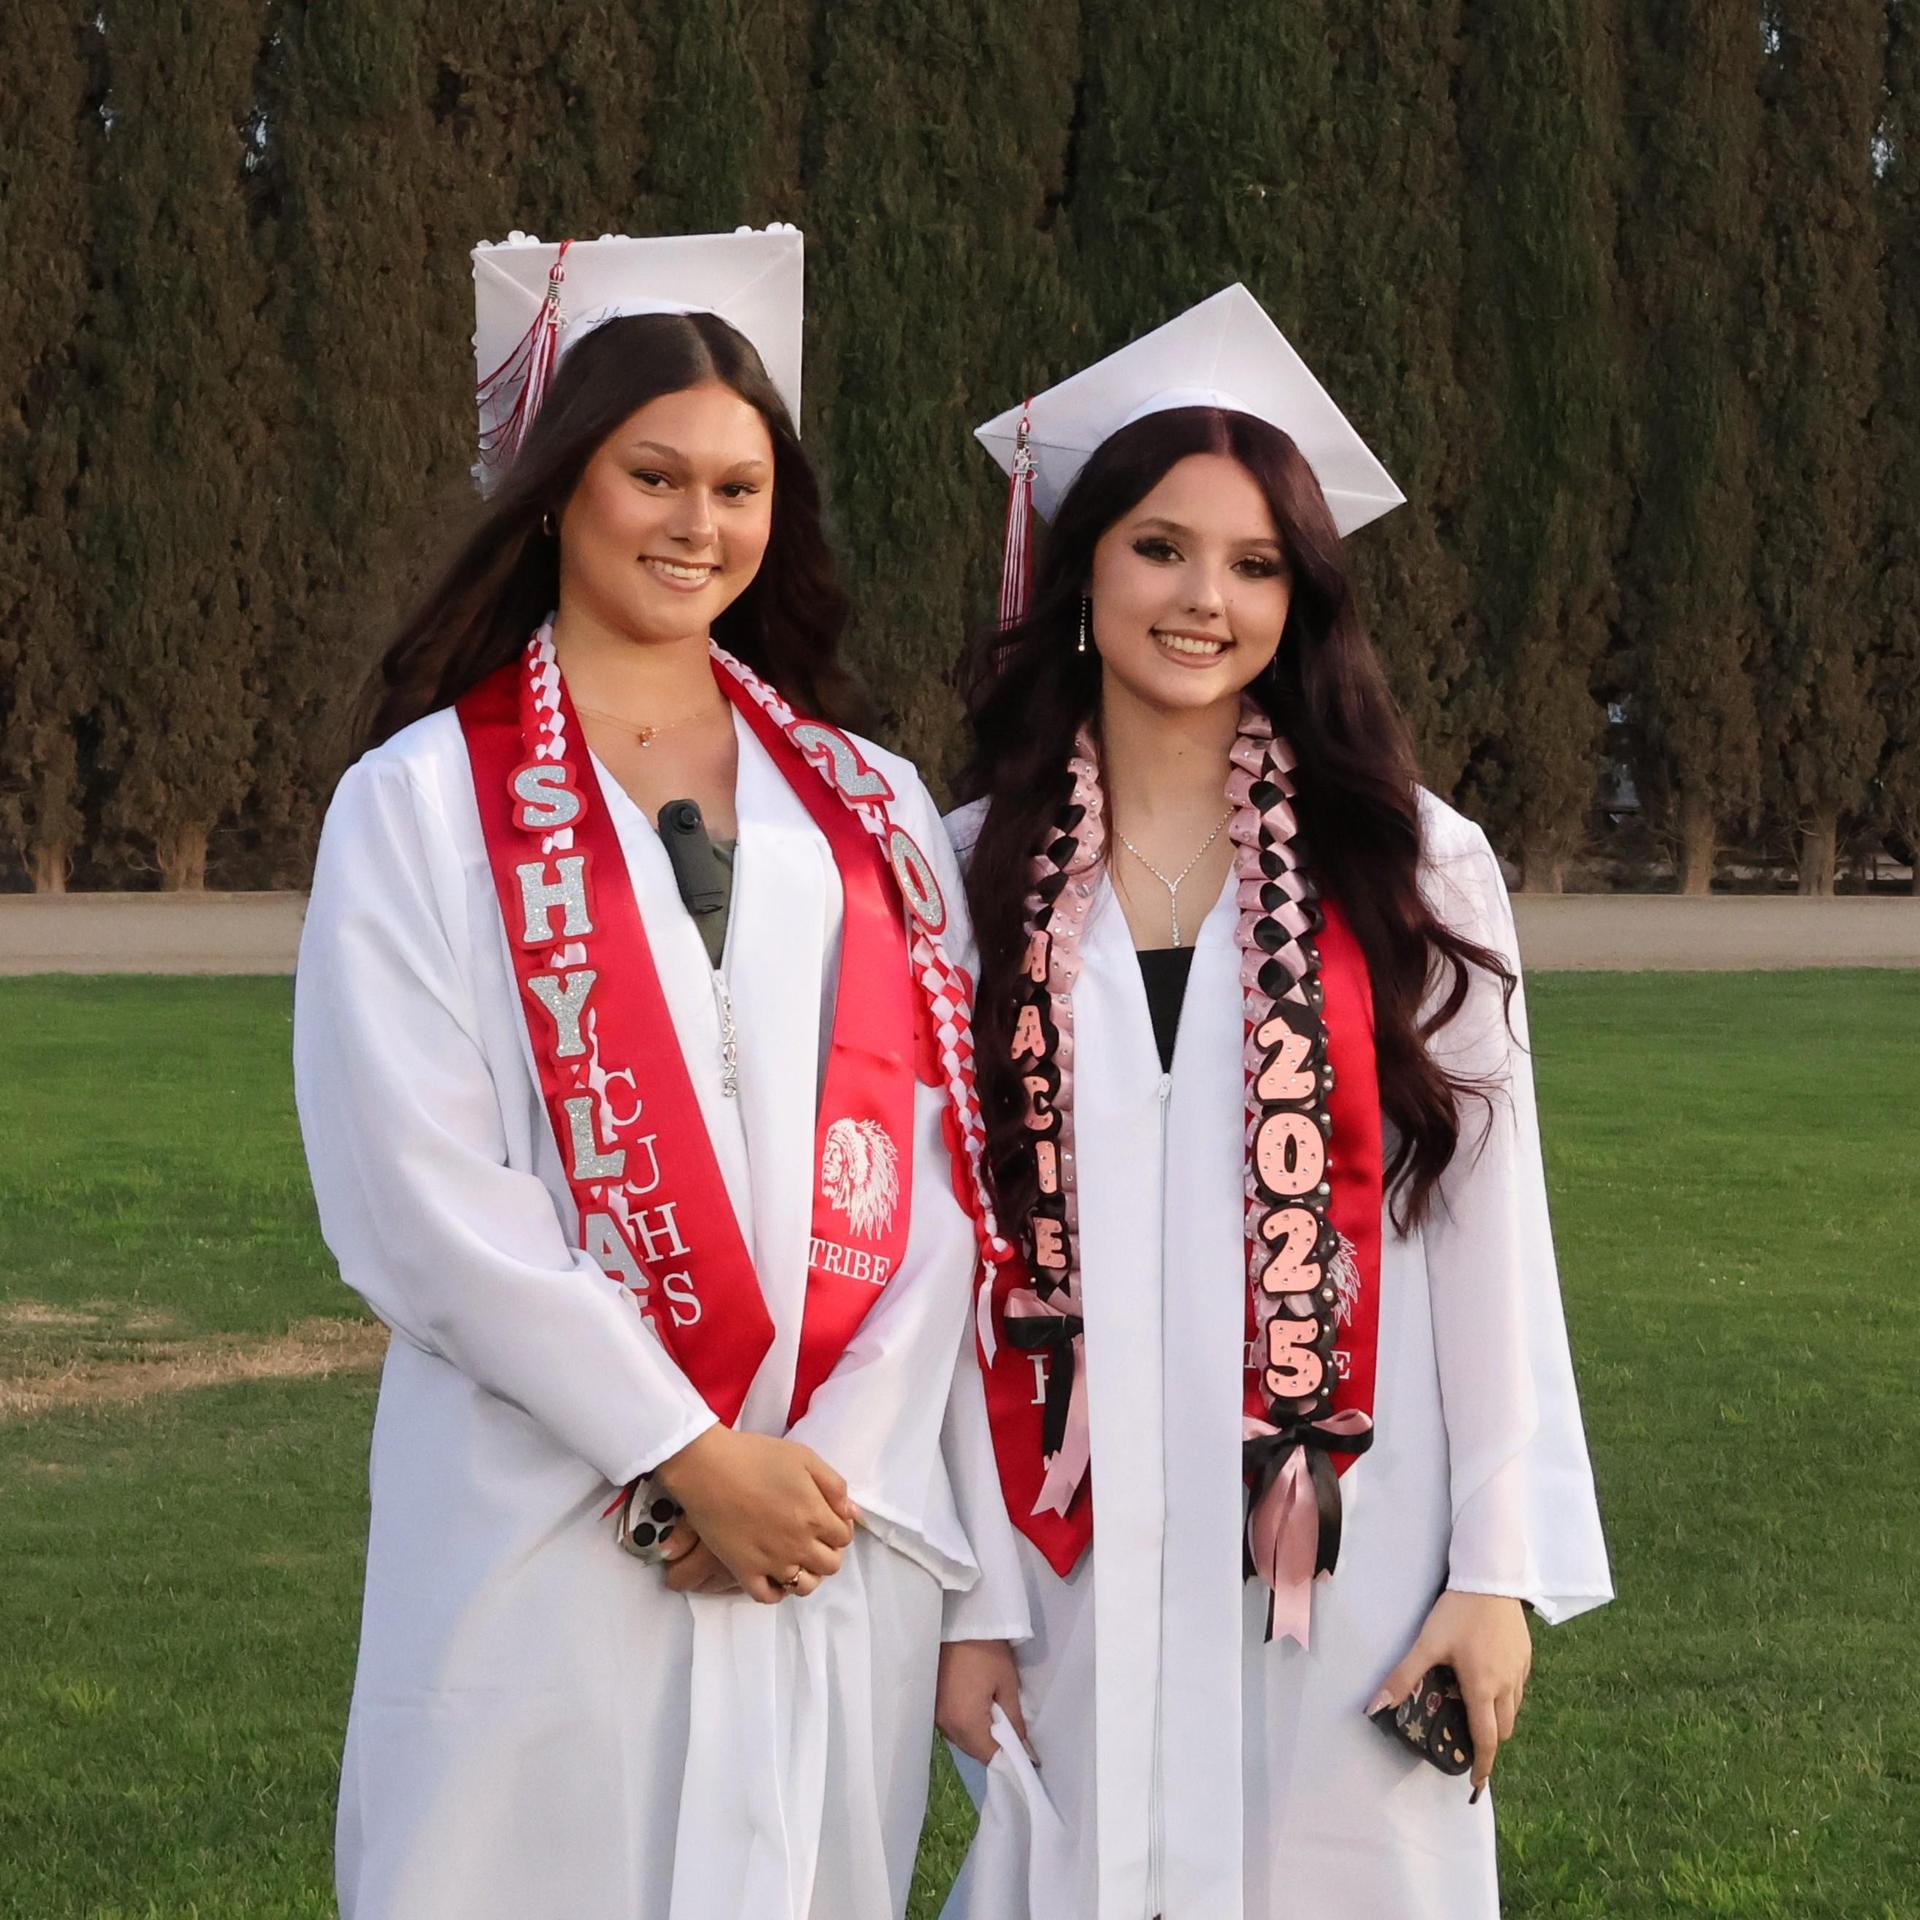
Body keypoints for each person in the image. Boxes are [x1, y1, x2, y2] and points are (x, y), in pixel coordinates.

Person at [293, 226, 1019, 1920]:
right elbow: (418, 1196)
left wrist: (806, 1475)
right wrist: (685, 1450)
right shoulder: (419, 805)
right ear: (556, 487)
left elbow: (938, 1174)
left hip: (824, 1526)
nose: (701, 525)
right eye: (654, 474)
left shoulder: (872, 807)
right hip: (548, 1511)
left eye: (742, 486)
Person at [935, 285, 1613, 1920]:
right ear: (1081, 566)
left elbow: (1488, 1228)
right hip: (1067, 1539)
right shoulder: (966, 870)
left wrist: (1497, 1571)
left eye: (1254, 565)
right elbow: (937, 1257)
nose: (1203, 599)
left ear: (1301, 602)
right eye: (1161, 547)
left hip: (1351, 1539)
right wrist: (960, 1593)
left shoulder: (1409, 858)